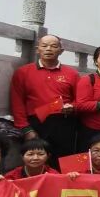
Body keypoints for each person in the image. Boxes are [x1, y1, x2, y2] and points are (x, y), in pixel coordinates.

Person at [9, 34, 79, 165]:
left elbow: (79, 100)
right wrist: (26, 129)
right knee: (36, 162)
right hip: (36, 124)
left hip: (64, 123)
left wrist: (72, 107)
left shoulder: (72, 74)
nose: (48, 49)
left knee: (64, 163)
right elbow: (17, 103)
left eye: (53, 46)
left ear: (61, 51)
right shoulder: (23, 72)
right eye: (44, 46)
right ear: (37, 49)